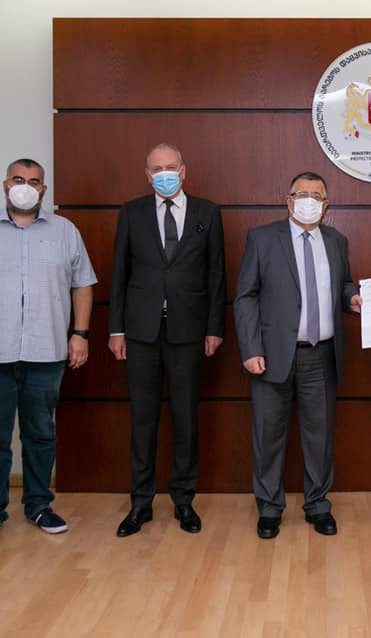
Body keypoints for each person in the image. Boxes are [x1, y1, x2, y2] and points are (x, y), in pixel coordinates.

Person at [0, 158, 97, 549]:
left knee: (41, 434)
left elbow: (82, 284)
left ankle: (39, 506)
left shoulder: (65, 232)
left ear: (43, 189)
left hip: (46, 352)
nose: (26, 186)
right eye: (19, 179)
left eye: (34, 181)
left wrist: (80, 334)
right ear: (6, 184)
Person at [234, 171, 361, 539]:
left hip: (320, 356)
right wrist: (251, 348)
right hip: (271, 354)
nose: (309, 200)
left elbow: (343, 284)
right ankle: (269, 508)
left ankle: (318, 505)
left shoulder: (336, 241)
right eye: (301, 193)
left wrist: (351, 298)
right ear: (288, 201)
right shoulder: (262, 239)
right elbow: (245, 297)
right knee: (268, 435)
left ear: (326, 204)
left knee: (319, 436)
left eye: (316, 195)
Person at [108, 143, 226, 537]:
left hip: (188, 332)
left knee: (185, 419)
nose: (164, 174)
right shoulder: (131, 212)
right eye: (156, 169)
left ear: (184, 170)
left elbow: (216, 275)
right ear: (147, 175)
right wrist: (116, 329)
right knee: (143, 420)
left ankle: (183, 500)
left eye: (170, 167)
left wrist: (214, 328)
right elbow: (120, 272)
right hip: (140, 332)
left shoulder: (208, 212)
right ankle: (140, 503)